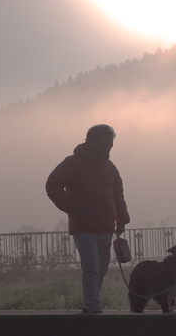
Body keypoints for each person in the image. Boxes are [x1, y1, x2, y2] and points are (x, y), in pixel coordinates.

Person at [46, 124, 130, 313]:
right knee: (91, 266)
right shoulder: (72, 163)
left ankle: (89, 303)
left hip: (106, 226)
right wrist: (74, 209)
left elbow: (118, 195)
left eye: (110, 145)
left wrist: (122, 219)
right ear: (91, 142)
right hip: (83, 226)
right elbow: (52, 186)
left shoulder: (110, 168)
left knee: (101, 268)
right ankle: (93, 305)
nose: (108, 149)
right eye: (105, 144)